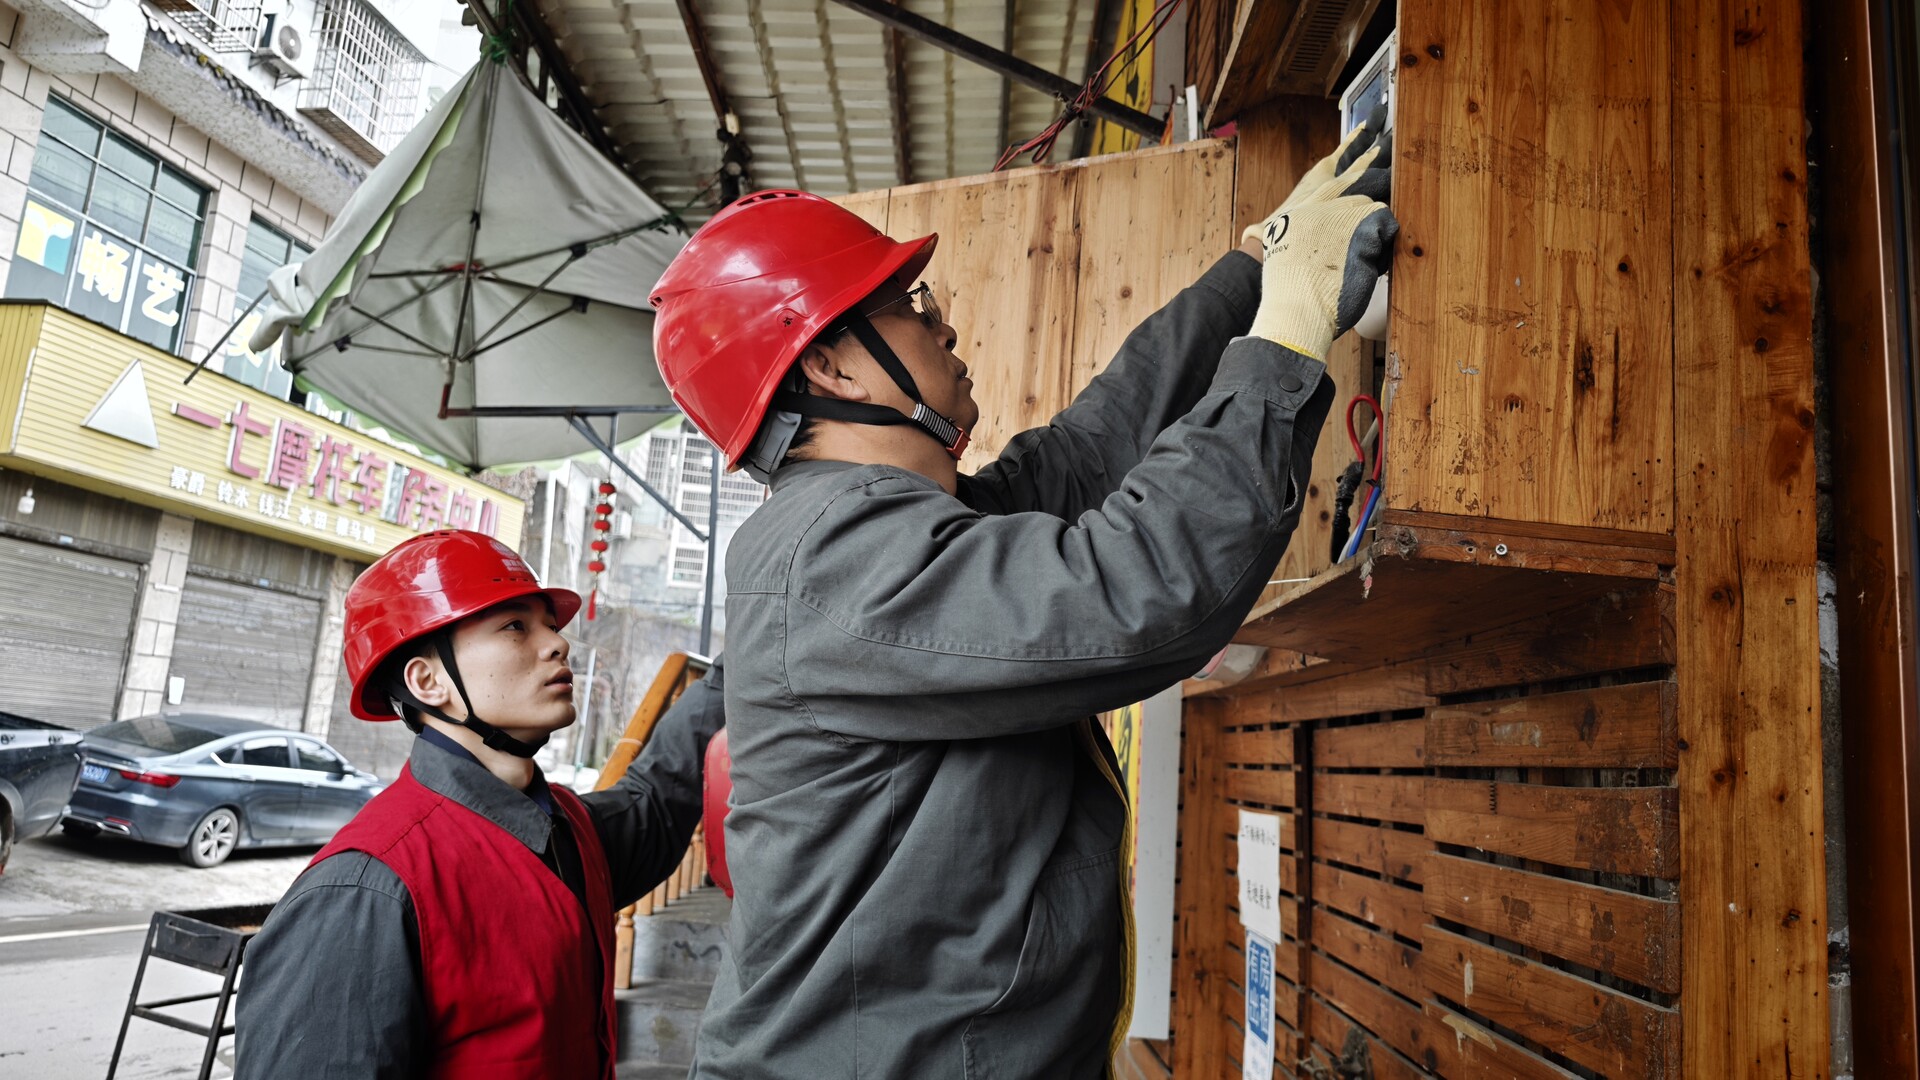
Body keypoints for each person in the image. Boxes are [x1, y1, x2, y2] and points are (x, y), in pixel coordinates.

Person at [646, 118, 1395, 1078]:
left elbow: (1089, 450)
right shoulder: (836, 562)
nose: (942, 321)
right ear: (829, 367)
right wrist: (1287, 332)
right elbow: (1133, 590)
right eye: (909, 305)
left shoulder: (883, 531)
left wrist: (1254, 268)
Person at [234, 529, 724, 1079]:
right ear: (429, 681)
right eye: (515, 626)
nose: (558, 644)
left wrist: (742, 663)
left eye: (550, 625)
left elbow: (657, 798)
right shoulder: (364, 892)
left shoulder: (567, 828)